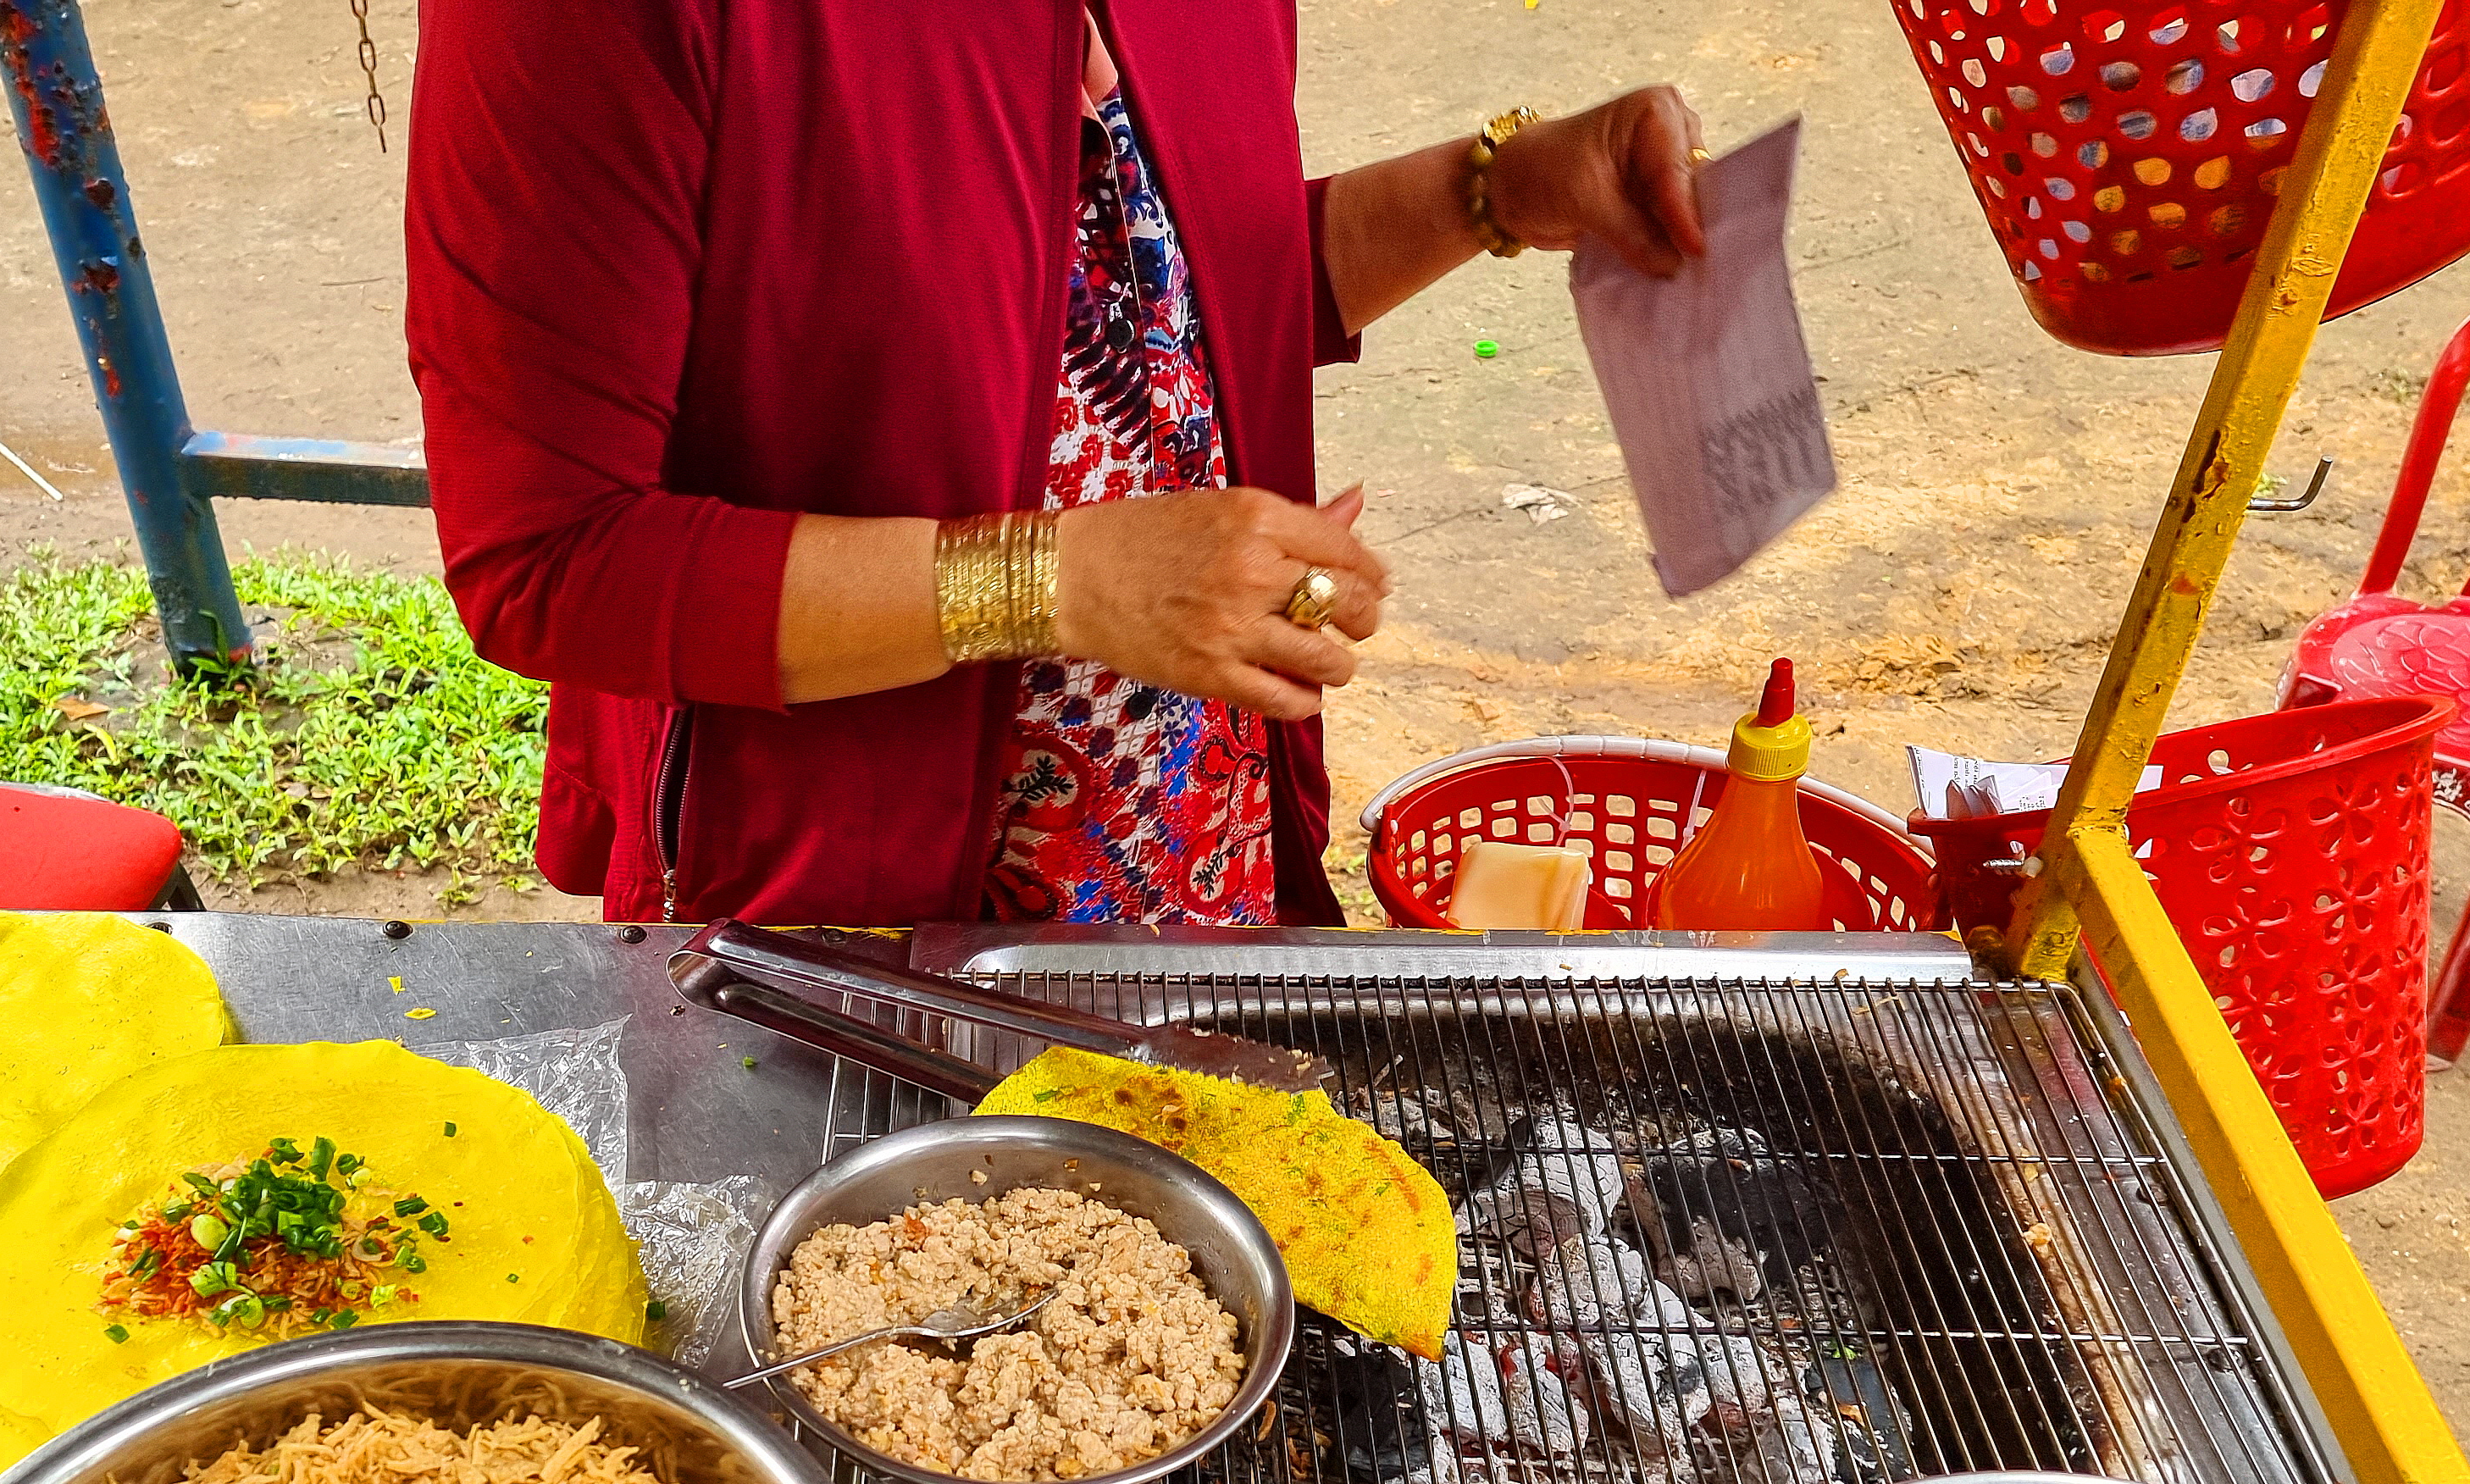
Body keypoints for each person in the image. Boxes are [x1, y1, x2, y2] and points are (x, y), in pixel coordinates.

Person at [405, 1, 1708, 926]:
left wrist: (1492, 191)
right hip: (851, 928)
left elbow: (1151, 296)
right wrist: (1058, 584)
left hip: (1193, 850)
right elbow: (553, 555)